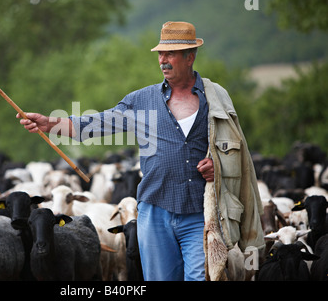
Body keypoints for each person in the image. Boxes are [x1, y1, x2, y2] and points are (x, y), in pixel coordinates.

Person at [17, 21, 264, 281]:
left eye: (170, 54)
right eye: (160, 54)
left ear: (190, 57)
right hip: (155, 213)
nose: (163, 60)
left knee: (201, 277)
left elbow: (236, 151)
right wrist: (49, 123)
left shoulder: (215, 98)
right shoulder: (142, 101)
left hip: (200, 213)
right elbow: (96, 124)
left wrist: (219, 166)